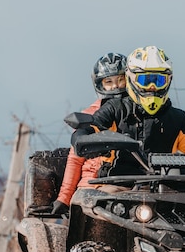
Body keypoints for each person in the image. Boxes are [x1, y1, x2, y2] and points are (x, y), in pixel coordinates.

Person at [71, 45, 185, 179]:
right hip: (118, 184)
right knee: (90, 198)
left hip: (165, 187)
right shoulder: (115, 108)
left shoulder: (177, 118)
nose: (152, 87)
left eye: (159, 80)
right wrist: (84, 138)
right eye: (145, 80)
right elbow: (92, 127)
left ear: (168, 81)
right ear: (131, 79)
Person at [51, 52, 128, 216]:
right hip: (92, 184)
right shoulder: (90, 115)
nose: (115, 86)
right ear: (100, 85)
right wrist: (64, 198)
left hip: (128, 185)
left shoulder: (138, 114)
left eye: (120, 79)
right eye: (109, 81)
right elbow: (75, 160)